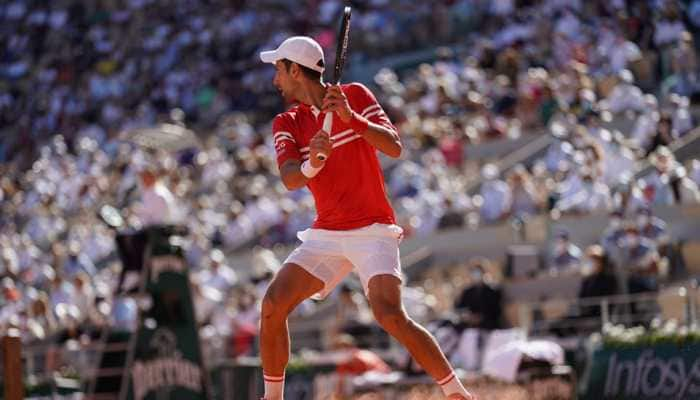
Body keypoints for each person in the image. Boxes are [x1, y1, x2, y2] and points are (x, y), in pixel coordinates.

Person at [257, 36, 474, 400]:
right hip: (326, 234)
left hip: (372, 229)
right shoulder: (287, 122)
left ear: (295, 70)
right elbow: (291, 177)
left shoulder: (354, 95)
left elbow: (393, 145)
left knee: (389, 314)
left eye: (279, 70)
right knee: (273, 305)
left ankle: (457, 394)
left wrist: (350, 118)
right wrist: (314, 161)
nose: (275, 80)